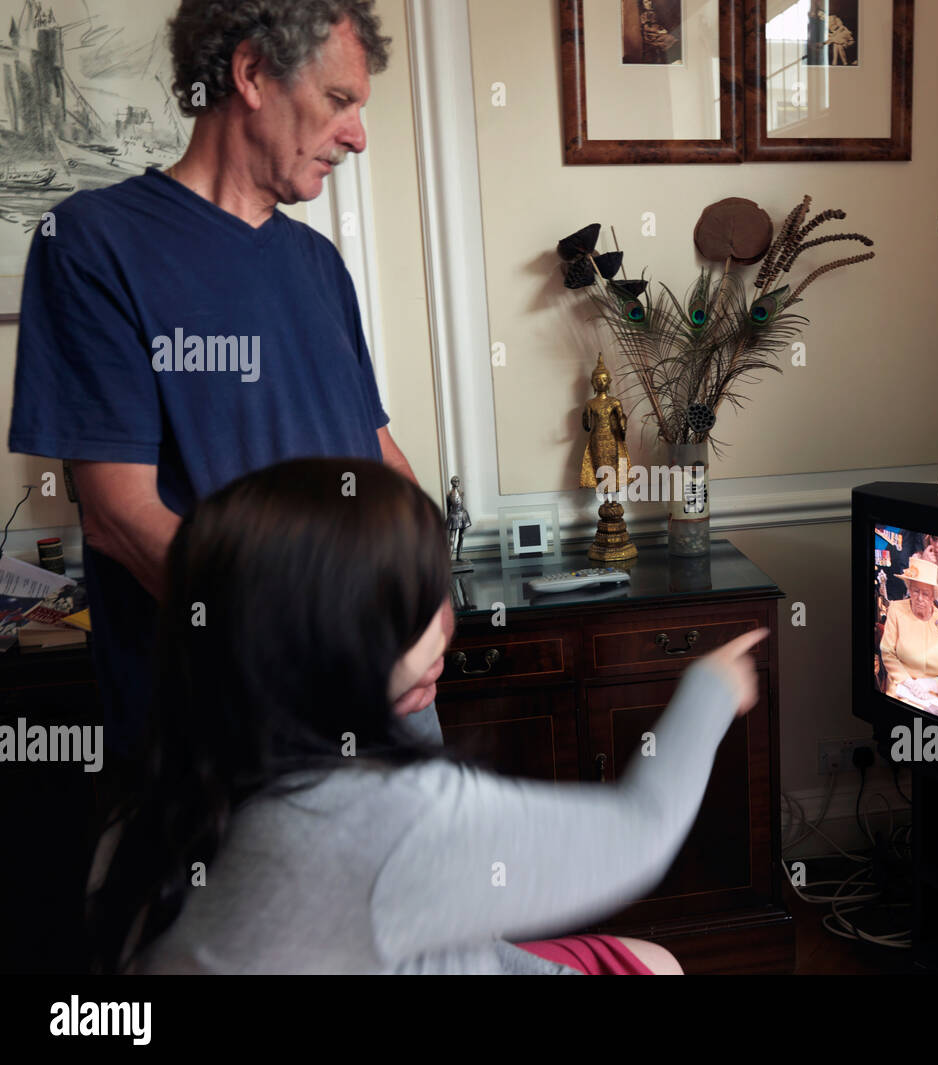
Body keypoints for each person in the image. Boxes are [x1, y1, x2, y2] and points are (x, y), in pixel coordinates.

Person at [86, 458, 768, 975]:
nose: (448, 622)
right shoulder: (378, 819)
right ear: (346, 642)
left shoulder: (158, 796)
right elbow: (640, 833)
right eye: (423, 598)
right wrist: (708, 690)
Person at [7, 1, 438, 764]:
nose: (357, 136)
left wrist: (430, 601)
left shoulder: (319, 266)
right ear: (251, 74)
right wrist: (321, 653)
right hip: (229, 738)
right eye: (340, 101)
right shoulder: (90, 244)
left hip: (385, 705)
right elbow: (121, 517)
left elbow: (378, 453)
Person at [878, 556, 938, 720]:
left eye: (926, 594)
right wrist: (908, 682)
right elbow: (887, 652)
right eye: (915, 591)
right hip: (901, 689)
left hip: (935, 698)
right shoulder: (896, 611)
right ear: (909, 589)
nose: (919, 598)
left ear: (933, 596)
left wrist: (930, 685)